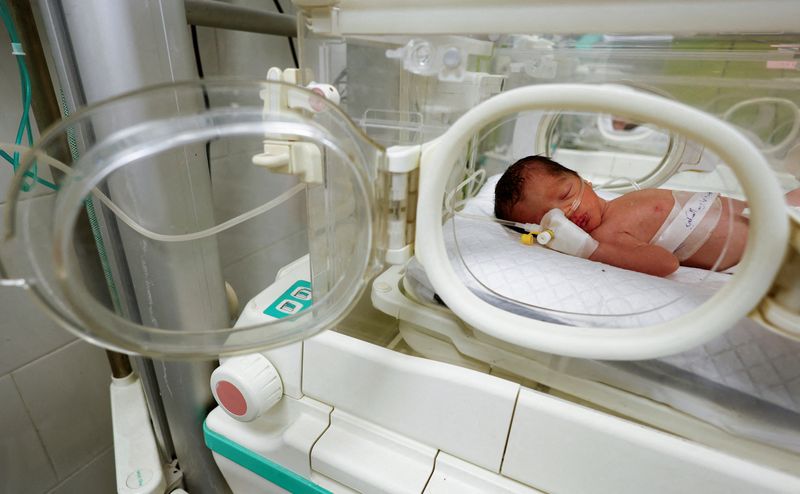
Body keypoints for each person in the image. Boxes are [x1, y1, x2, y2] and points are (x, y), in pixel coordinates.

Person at [494, 155, 800, 277]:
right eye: (551, 217)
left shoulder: (620, 203)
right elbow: (666, 263)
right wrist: (586, 248)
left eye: (566, 194)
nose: (569, 212)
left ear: (584, 179)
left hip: (768, 208)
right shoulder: (605, 238)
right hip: (764, 250)